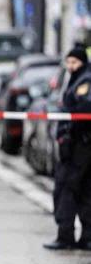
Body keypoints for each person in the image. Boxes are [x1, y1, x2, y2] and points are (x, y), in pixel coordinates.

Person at [44, 45, 91, 251]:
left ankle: (66, 236)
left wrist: (67, 135)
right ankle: (86, 238)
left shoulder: (85, 81)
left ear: (82, 62)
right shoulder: (77, 79)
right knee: (83, 190)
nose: (71, 66)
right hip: (79, 145)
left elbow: (82, 109)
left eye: (75, 62)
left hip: (78, 146)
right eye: (69, 62)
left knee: (66, 189)